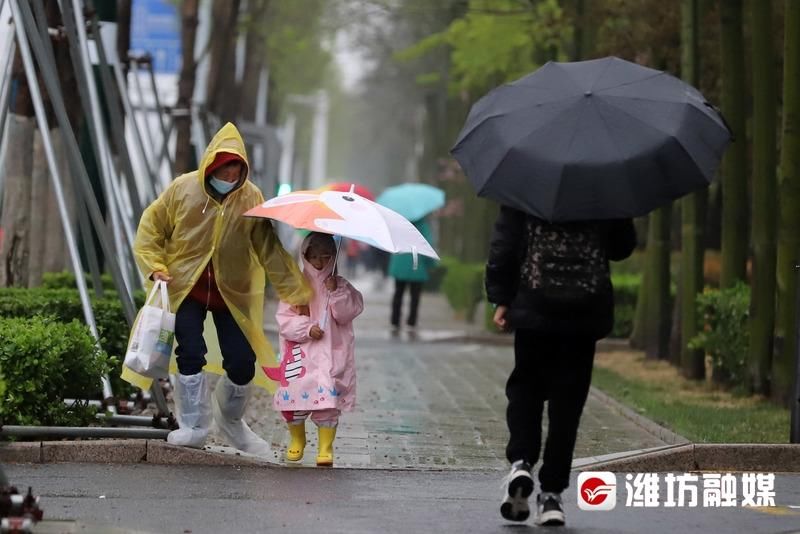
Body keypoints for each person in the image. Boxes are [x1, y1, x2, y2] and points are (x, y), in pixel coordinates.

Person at [125, 122, 312, 455]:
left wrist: (296, 293)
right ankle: (194, 425)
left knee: (242, 362)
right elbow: (151, 227)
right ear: (210, 165)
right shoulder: (182, 189)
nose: (228, 178)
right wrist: (156, 267)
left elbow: (268, 248)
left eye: (235, 171)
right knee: (190, 353)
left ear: (243, 171)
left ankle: (231, 420)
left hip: (232, 292)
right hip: (185, 288)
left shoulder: (251, 197)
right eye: (224, 170)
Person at [486, 206, 636, 526]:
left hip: (533, 306)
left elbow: (504, 245)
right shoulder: (604, 185)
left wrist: (501, 297)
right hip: (584, 312)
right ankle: (551, 495)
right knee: (568, 403)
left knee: (525, 387)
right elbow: (622, 247)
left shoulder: (525, 183)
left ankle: (522, 461)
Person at [266, 232, 364, 466]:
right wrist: (306, 328)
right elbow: (284, 321)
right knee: (295, 402)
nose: (319, 262)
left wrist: (336, 293)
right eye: (314, 256)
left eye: (326, 256)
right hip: (301, 357)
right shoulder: (295, 286)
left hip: (331, 353)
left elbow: (347, 313)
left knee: (328, 403)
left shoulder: (341, 285)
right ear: (305, 255)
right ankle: (297, 439)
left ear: (333, 257)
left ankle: (325, 447)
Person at [388, 217, 434, 332]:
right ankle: (411, 321)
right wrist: (431, 264)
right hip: (417, 265)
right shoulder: (422, 226)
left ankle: (395, 320)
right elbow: (427, 245)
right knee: (415, 296)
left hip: (400, 264)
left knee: (398, 293)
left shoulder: (399, 223)